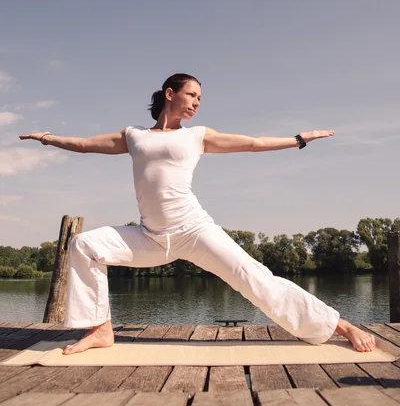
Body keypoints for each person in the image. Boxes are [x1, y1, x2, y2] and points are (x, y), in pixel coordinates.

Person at [19, 72, 376, 355]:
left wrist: (297, 139)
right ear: (169, 93)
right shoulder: (134, 136)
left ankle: (339, 326)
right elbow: (85, 145)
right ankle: (100, 330)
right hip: (150, 237)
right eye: (192, 95)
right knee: (84, 245)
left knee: (256, 279)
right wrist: (49, 138)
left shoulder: (197, 136)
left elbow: (251, 144)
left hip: (194, 230)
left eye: (200, 99)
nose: (197, 103)